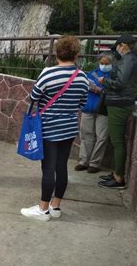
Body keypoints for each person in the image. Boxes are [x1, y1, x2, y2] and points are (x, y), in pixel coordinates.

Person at [21, 36, 88, 221]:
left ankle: (42, 210)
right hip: (69, 128)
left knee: (48, 168)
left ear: (57, 53)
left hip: (49, 127)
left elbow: (33, 97)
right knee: (62, 166)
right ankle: (55, 206)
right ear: (76, 54)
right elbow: (81, 103)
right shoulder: (82, 77)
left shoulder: (48, 73)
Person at [97, 34, 137, 189]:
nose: (116, 50)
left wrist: (105, 81)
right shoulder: (134, 59)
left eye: (117, 47)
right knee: (116, 141)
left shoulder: (129, 60)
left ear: (122, 45)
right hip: (122, 101)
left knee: (117, 142)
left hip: (119, 103)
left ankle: (118, 178)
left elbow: (120, 83)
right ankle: (117, 172)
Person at [74, 53, 113, 173]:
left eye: (107, 63)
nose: (104, 66)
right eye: (102, 63)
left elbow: (115, 90)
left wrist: (101, 90)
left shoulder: (114, 75)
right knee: (86, 134)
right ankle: (83, 161)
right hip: (89, 107)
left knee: (101, 137)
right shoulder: (91, 73)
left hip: (104, 109)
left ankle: (95, 163)